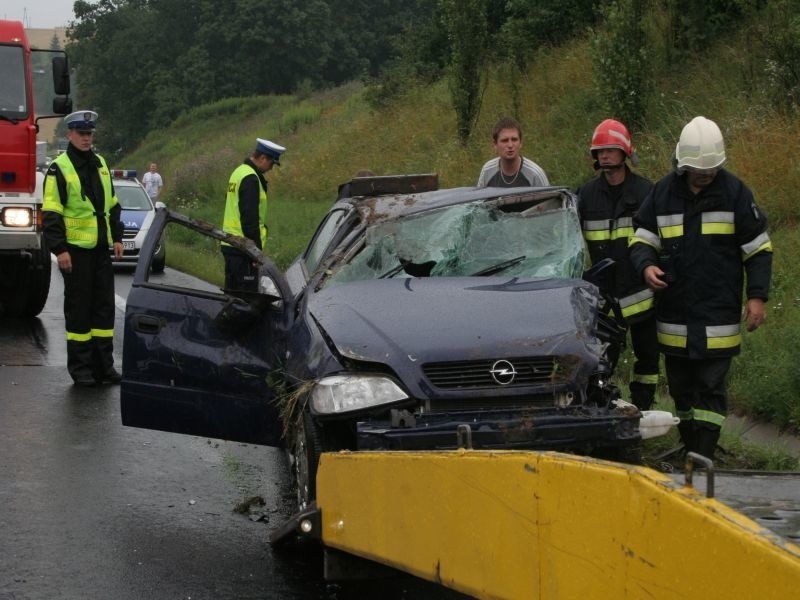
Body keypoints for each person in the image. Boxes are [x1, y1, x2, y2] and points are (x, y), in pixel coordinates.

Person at [630, 116, 772, 459]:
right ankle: (692, 447)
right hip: (675, 315)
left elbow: (758, 249)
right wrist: (646, 265)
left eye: (709, 172)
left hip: (717, 313)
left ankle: (704, 454)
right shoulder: (662, 193)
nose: (704, 176)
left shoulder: (735, 193)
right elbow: (641, 239)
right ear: (682, 164)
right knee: (681, 389)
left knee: (710, 387)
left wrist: (756, 297)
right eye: (698, 171)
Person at [577, 119, 659, 411]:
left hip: (641, 295)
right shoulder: (585, 196)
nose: (605, 156)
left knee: (647, 359)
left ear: (624, 152)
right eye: (600, 151)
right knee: (599, 360)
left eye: (610, 150)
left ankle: (644, 408)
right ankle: (602, 407)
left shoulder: (647, 192)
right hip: (603, 301)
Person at [42, 110, 124, 387]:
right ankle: (81, 369)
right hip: (75, 251)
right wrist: (60, 249)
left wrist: (118, 238)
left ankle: (104, 367)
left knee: (104, 309)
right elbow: (51, 213)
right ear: (70, 135)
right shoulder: (59, 168)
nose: (87, 138)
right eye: (81, 134)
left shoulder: (100, 163)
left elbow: (112, 205)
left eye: (90, 134)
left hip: (100, 248)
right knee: (79, 310)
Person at [221, 138, 285, 291]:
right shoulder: (250, 178)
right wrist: (256, 253)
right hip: (244, 248)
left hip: (230, 244)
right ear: (263, 158)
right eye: (271, 164)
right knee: (245, 299)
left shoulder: (239, 171)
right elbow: (250, 220)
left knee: (232, 295)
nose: (271, 169)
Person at [476, 116, 549, 188]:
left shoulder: (535, 174)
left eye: (514, 139)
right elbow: (479, 198)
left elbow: (549, 199)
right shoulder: (487, 170)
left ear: (520, 143)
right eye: (505, 140)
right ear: (495, 144)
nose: (510, 145)